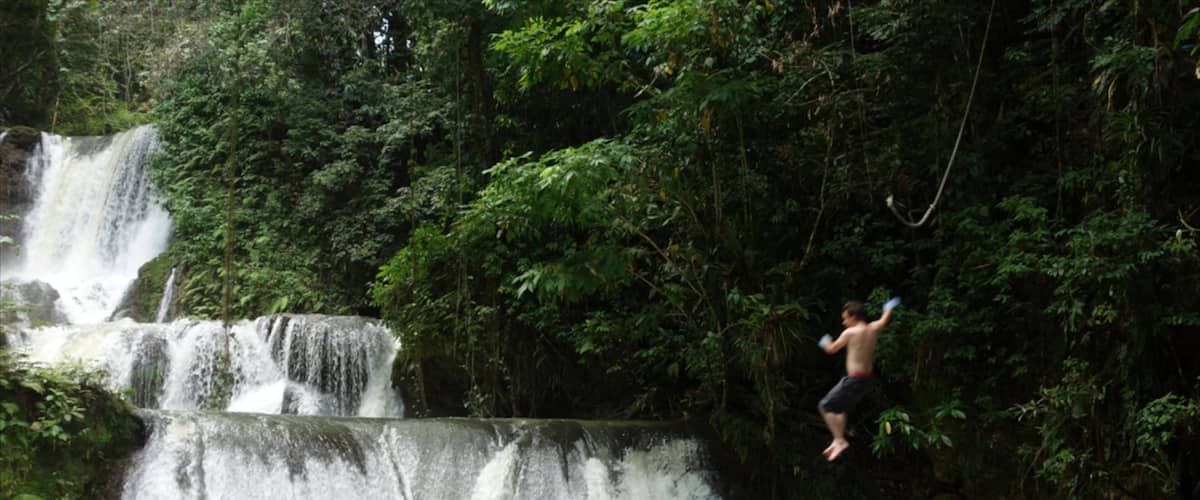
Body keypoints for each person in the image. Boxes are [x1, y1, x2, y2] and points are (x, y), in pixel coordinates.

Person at [816, 296, 900, 461]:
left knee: (824, 406)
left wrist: (824, 341)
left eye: (845, 318)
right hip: (867, 380)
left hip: (854, 380)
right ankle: (838, 439)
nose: (844, 323)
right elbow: (884, 319)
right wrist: (889, 307)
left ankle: (839, 440)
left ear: (853, 316)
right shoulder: (873, 328)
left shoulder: (850, 332)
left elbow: (832, 349)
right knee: (838, 408)